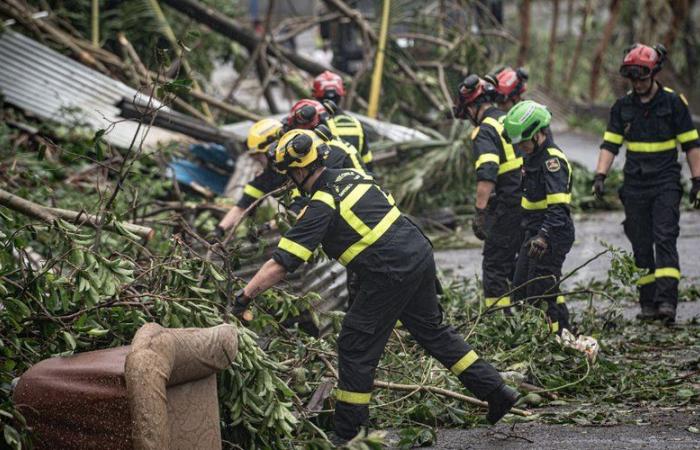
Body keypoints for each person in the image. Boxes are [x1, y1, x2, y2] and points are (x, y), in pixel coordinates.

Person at [231, 129, 519, 443]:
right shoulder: (351, 175)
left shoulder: (322, 204)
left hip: (390, 271)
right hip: (418, 252)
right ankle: (496, 390)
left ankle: (350, 434)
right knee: (432, 330)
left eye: (288, 174)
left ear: (299, 170)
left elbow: (282, 263)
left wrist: (244, 296)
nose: (288, 180)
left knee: (355, 344)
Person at [593, 43, 700, 323]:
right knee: (641, 245)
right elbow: (610, 144)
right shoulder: (622, 107)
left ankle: (667, 302)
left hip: (666, 182)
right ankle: (648, 303)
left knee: (664, 238)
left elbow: (691, 145)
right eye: (633, 79)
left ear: (653, 74)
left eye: (642, 78)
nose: (638, 84)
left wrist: (697, 179)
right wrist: (599, 176)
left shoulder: (673, 103)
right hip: (635, 185)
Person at [453, 75, 523, 310]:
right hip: (526, 202)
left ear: (472, 106)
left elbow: (487, 172)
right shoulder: (509, 119)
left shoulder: (485, 131)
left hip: (506, 205)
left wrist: (480, 212)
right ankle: (526, 312)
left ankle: (498, 319)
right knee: (518, 262)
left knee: (494, 266)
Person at [503, 100, 573, 334]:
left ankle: (555, 338)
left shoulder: (552, 162)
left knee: (541, 292)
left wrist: (543, 236)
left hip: (552, 234)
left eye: (523, 140)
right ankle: (561, 329)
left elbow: (558, 209)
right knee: (521, 287)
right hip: (534, 231)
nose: (520, 146)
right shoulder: (531, 156)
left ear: (537, 134)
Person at [311, 71, 374, 170]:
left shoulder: (310, 126)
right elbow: (367, 162)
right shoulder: (356, 124)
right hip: (356, 181)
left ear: (314, 94)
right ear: (342, 93)